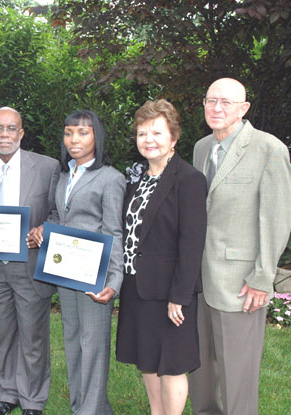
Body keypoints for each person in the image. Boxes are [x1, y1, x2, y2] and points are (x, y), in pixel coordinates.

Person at [188, 78, 291, 415]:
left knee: (237, 377)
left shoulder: (269, 149)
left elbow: (276, 218)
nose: (217, 108)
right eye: (211, 100)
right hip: (200, 280)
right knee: (202, 371)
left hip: (241, 282)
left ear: (244, 108)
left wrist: (263, 278)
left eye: (227, 103)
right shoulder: (202, 147)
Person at [0, 107, 60, 415]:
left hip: (30, 266)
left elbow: (59, 211)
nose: (5, 135)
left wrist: (45, 228)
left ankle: (32, 401)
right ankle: (6, 395)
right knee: (2, 334)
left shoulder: (47, 167)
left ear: (21, 133)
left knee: (32, 337)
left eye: (11, 128)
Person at [28, 110, 125, 415]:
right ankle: (81, 407)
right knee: (73, 341)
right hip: (64, 271)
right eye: (69, 132)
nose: (74, 139)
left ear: (97, 136)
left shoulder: (111, 178)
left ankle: (92, 410)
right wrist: (45, 227)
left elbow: (114, 231)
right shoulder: (63, 174)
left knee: (93, 346)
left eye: (83, 132)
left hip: (94, 274)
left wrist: (114, 281)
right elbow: (60, 215)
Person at [115, 99, 207, 415]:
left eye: (157, 132)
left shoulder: (188, 179)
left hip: (170, 293)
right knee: (147, 359)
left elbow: (192, 243)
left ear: (173, 138)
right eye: (142, 133)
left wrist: (179, 297)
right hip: (137, 287)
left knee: (172, 363)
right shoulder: (137, 179)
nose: (149, 140)